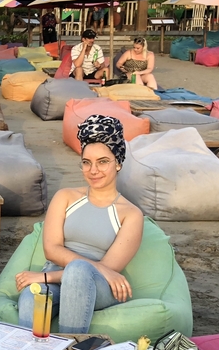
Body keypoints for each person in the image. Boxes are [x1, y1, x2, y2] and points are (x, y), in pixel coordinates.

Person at [14, 115, 144, 335]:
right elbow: (52, 250)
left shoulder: (131, 214)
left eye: (103, 161)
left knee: (78, 270)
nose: (93, 170)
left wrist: (44, 276)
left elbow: (108, 270)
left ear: (119, 162)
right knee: (32, 298)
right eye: (87, 162)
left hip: (99, 285)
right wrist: (49, 278)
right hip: (56, 278)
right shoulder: (65, 196)